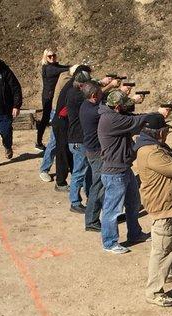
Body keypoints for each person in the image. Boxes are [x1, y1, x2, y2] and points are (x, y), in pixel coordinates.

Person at [134, 113, 172, 307]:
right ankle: (153, 292)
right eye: (166, 130)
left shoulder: (154, 148)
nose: (167, 133)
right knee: (162, 248)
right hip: (163, 206)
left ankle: (171, 272)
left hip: (170, 204)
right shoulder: (151, 152)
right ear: (159, 132)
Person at [97, 90, 151, 254]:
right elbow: (135, 122)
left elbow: (132, 119)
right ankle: (109, 242)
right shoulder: (111, 119)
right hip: (115, 173)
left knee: (133, 204)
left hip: (124, 169)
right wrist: (154, 115)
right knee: (112, 210)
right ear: (118, 106)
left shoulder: (113, 115)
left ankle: (135, 234)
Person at [51, 64, 91, 191]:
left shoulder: (72, 85)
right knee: (62, 152)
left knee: (68, 152)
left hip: (65, 122)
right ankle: (61, 182)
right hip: (62, 123)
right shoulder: (74, 90)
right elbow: (91, 97)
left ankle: (72, 179)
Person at [66, 70, 92, 213]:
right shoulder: (78, 96)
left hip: (78, 139)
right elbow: (95, 97)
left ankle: (90, 196)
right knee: (79, 171)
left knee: (86, 170)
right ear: (82, 85)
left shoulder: (72, 92)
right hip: (78, 139)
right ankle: (75, 202)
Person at [79, 81, 103, 231]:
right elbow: (112, 114)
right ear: (94, 96)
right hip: (97, 153)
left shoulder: (86, 105)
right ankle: (92, 221)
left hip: (93, 150)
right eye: (100, 93)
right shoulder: (94, 111)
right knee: (98, 186)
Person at [36, 49, 70, 151]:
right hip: (48, 97)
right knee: (46, 119)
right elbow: (61, 70)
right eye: (49, 56)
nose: (52, 58)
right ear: (45, 57)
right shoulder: (48, 68)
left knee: (54, 117)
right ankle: (39, 141)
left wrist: (73, 67)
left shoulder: (55, 66)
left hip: (54, 96)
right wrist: (72, 68)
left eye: (53, 55)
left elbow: (63, 67)